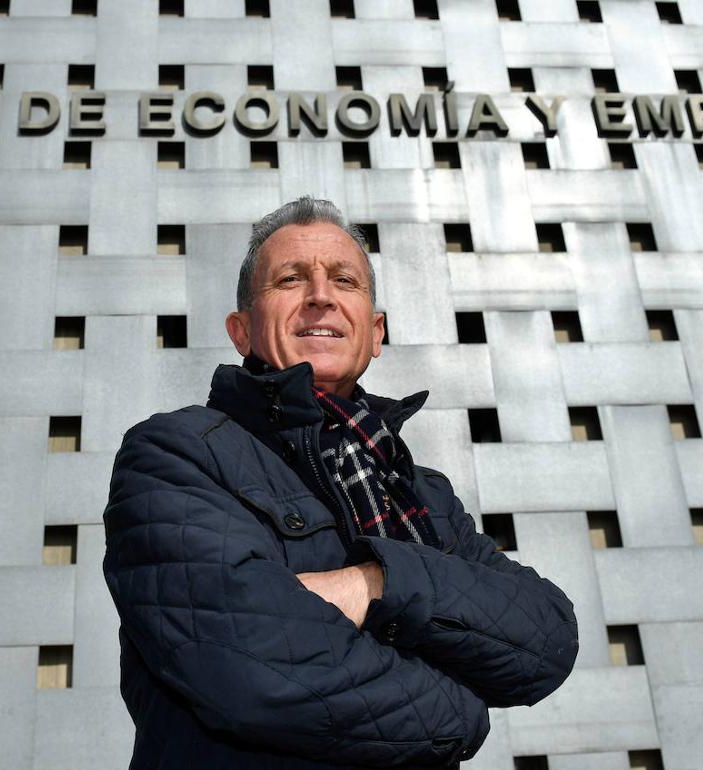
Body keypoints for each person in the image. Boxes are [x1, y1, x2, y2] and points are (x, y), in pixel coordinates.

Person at [102, 197, 578, 768]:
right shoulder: (177, 453)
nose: (321, 295)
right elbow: (254, 670)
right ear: (242, 330)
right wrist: (464, 707)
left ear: (375, 331)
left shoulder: (424, 494)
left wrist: (372, 584)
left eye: (344, 280)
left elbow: (547, 638)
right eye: (290, 278)